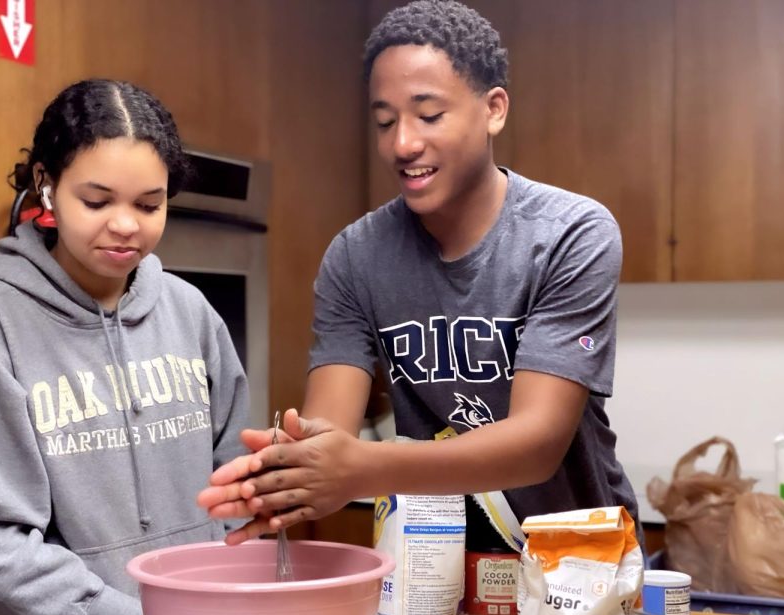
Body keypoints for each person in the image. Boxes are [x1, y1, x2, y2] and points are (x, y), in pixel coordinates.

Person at [198, 0, 641, 550]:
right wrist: (292, 475)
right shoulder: (355, 257)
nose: (402, 144)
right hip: (434, 571)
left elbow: (538, 442)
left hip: (577, 567)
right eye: (385, 122)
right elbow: (331, 433)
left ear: (494, 109)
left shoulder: (570, 232)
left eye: (428, 115)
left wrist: (361, 465)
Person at [0, 79, 249, 615]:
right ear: (46, 185)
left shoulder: (190, 312)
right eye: (97, 202)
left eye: (149, 205)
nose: (126, 225)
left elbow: (235, 482)